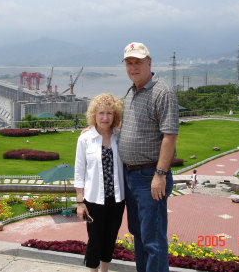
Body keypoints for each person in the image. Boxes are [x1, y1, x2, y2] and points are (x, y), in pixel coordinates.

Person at [118, 42, 179, 272]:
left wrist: (160, 175)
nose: (133, 67)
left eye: (138, 62)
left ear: (149, 63)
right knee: (139, 236)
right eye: (129, 63)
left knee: (153, 240)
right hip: (131, 176)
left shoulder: (162, 92)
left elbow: (170, 137)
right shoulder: (132, 91)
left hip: (149, 177)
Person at [74, 93, 126, 272]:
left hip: (117, 199)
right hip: (94, 199)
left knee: (111, 238)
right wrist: (80, 202)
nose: (105, 117)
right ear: (94, 115)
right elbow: (79, 172)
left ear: (115, 116)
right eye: (101, 113)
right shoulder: (85, 139)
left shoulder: (119, 137)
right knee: (95, 239)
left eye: (109, 113)